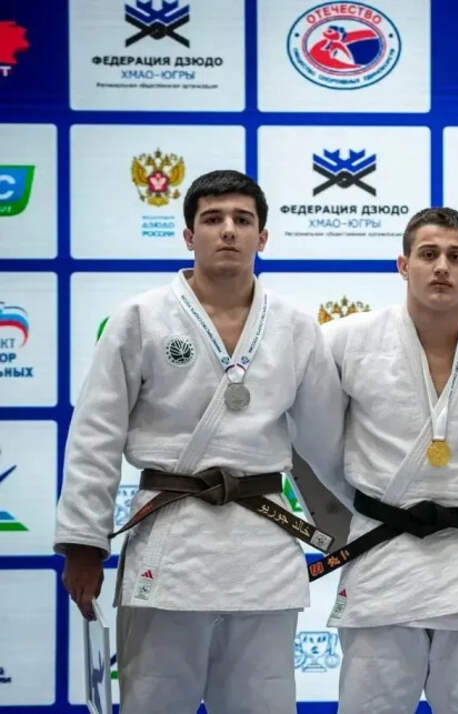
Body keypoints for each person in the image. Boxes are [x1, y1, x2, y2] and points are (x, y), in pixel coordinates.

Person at [55, 169, 344, 713]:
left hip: (262, 544)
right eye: (213, 219)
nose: (228, 230)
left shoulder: (295, 326)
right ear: (189, 235)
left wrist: (360, 531)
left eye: (242, 220)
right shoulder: (139, 318)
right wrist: (84, 543)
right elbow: (96, 436)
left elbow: (327, 445)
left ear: (263, 236)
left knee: (263, 703)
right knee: (154, 701)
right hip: (171, 540)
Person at [318, 207, 458, 714]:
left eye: (456, 257)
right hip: (381, 555)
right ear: (403, 265)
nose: (442, 267)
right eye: (428, 254)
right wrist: (352, 507)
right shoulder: (348, 340)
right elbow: (314, 439)